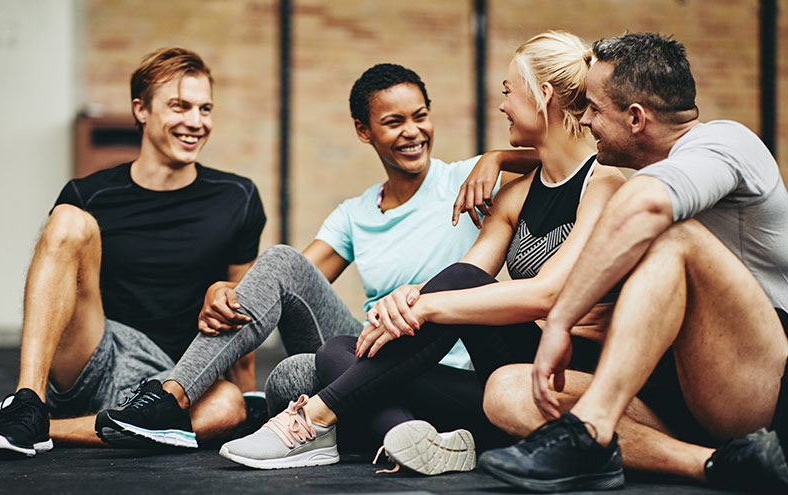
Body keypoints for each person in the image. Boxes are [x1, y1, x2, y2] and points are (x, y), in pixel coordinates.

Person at [213, 31, 626, 473]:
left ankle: (313, 421)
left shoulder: (603, 183)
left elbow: (545, 294)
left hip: (565, 374)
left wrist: (425, 305)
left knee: (431, 307)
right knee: (339, 351)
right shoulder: (516, 195)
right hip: (503, 379)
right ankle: (412, 440)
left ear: (542, 95)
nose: (503, 105)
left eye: (508, 91)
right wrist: (406, 301)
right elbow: (466, 271)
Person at [91, 63, 538, 451]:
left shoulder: (468, 179)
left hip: (443, 368)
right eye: (394, 121)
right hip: (368, 353)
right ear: (364, 131)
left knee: (301, 377)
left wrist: (499, 157)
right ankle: (173, 396)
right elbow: (282, 282)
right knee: (290, 371)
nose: (413, 132)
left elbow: (566, 162)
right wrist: (225, 291)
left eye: (420, 116)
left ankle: (389, 430)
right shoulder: (355, 213)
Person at [477, 33, 788, 494]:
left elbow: (648, 204)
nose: (584, 119)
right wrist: (501, 157)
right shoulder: (656, 171)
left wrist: (560, 320)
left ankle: (590, 431)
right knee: (508, 391)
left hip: (759, 383)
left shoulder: (725, 142)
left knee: (675, 237)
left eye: (593, 109)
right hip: (678, 391)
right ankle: (718, 464)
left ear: (636, 118)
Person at [0, 48, 267, 457]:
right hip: (95, 356)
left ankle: (44, 428)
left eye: (205, 108)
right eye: (180, 106)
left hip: (174, 380)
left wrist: (250, 404)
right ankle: (26, 402)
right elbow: (59, 294)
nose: (196, 121)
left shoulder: (237, 197)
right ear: (141, 110)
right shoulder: (89, 194)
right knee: (68, 220)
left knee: (228, 406)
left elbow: (240, 314)